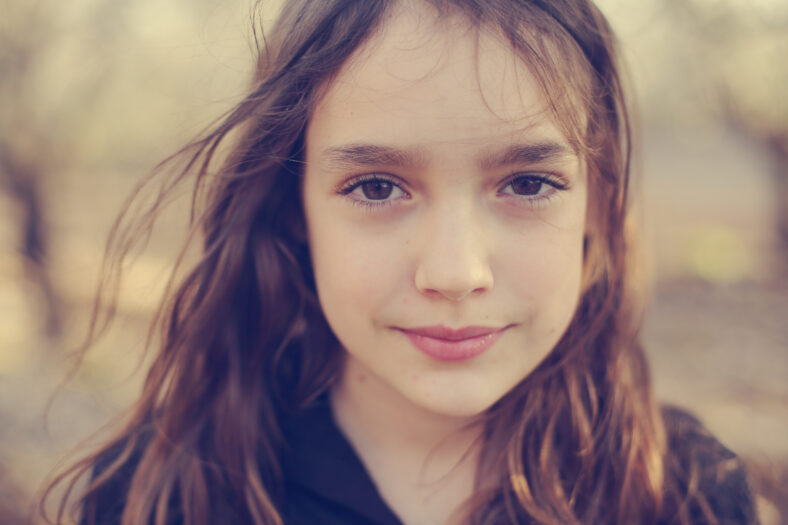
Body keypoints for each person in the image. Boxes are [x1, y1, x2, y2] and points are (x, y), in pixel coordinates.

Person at [42, 0, 759, 524]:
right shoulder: (156, 497)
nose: (454, 272)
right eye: (377, 186)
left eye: (528, 183)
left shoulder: (686, 493)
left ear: (597, 208)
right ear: (295, 211)